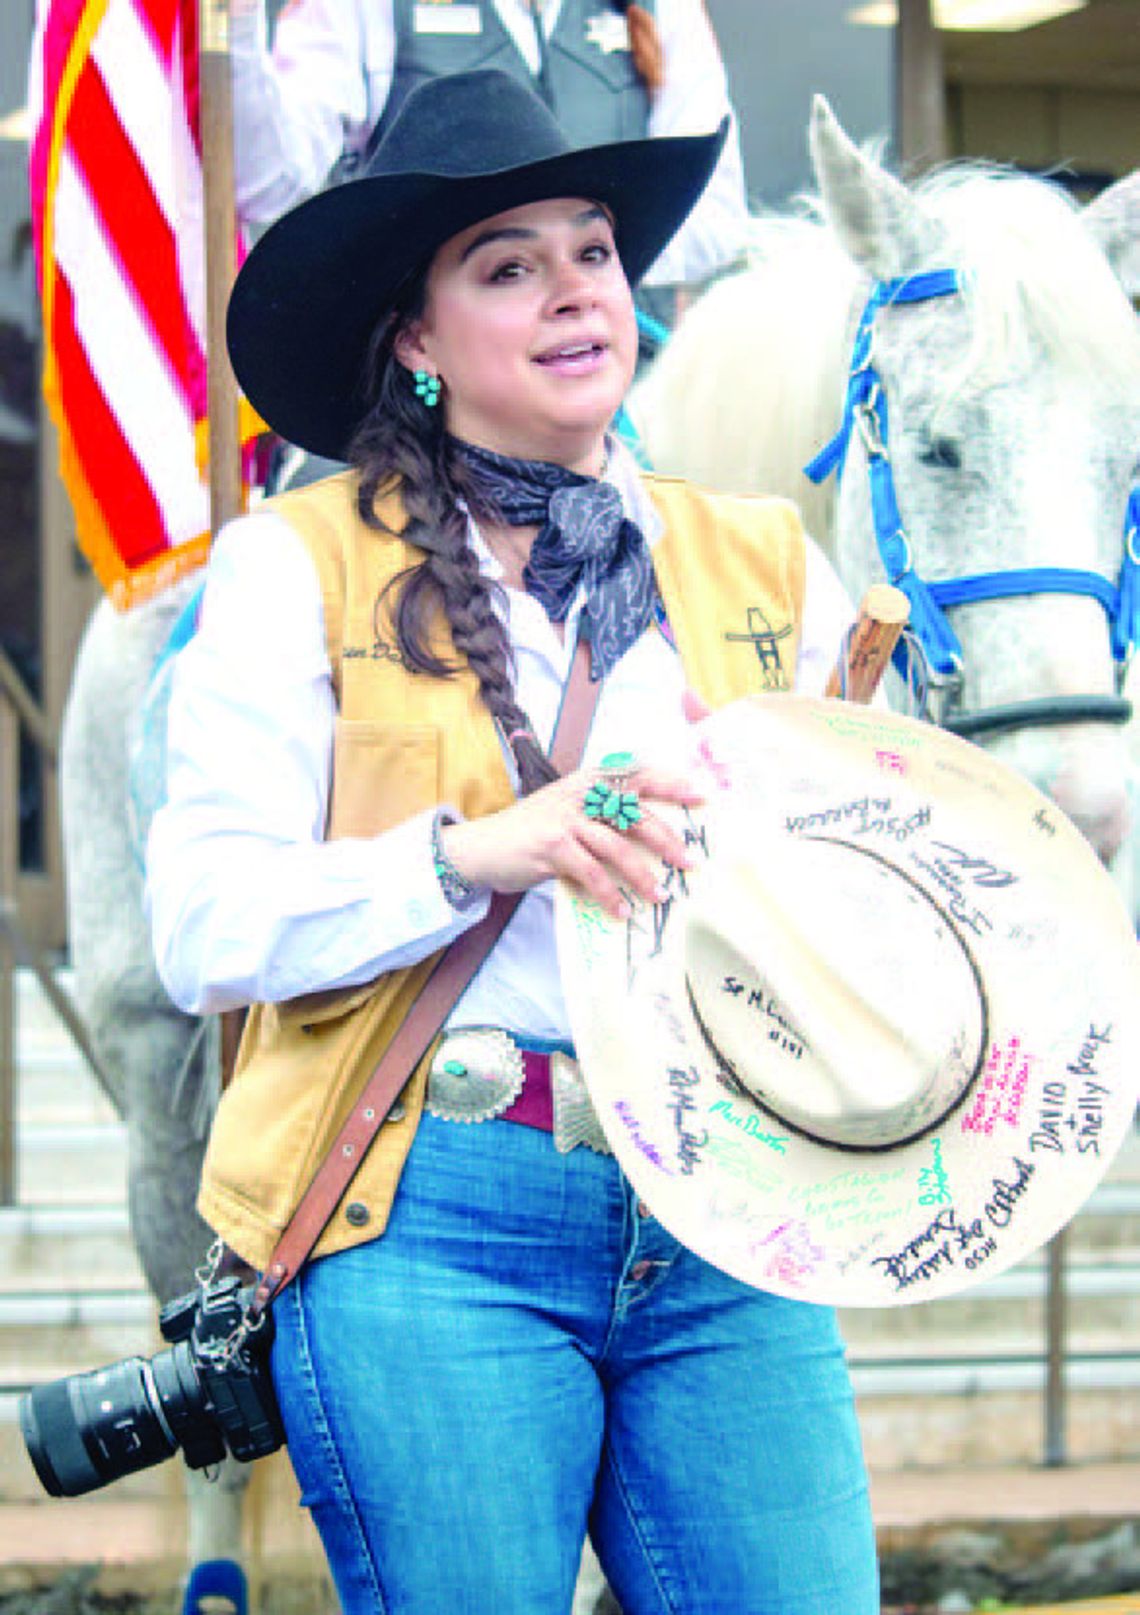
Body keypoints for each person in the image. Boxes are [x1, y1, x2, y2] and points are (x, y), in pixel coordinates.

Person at [145, 69, 879, 1615]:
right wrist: (475, 851)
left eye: (593, 250)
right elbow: (202, 924)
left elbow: (865, 899)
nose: (574, 291)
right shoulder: (290, 566)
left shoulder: (767, 560)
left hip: (731, 1200)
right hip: (432, 1216)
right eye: (507, 264)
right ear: (416, 340)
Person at [229, 0, 750, 325]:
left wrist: (574, 271)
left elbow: (716, 219)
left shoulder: (666, 8)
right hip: (433, 407)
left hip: (621, 405)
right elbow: (266, 183)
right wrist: (237, 31)